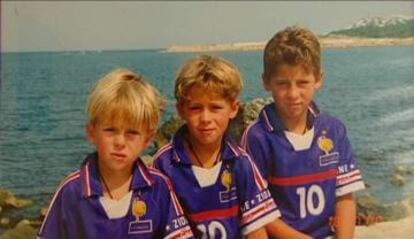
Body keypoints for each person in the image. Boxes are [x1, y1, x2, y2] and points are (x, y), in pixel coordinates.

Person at [241, 26, 365, 239]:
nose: (293, 94)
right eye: (282, 84)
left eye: (302, 83)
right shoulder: (257, 137)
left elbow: (345, 197)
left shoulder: (333, 130)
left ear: (318, 79)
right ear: (266, 81)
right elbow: (257, 214)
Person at [38, 69, 193, 239]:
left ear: (147, 139)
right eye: (110, 130)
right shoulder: (71, 192)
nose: (120, 142)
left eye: (132, 133)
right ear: (92, 133)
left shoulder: (158, 187)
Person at [152, 55, 281, 239]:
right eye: (196, 108)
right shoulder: (164, 165)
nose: (205, 118)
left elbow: (257, 230)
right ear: (181, 110)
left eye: (215, 108)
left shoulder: (241, 163)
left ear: (233, 109)